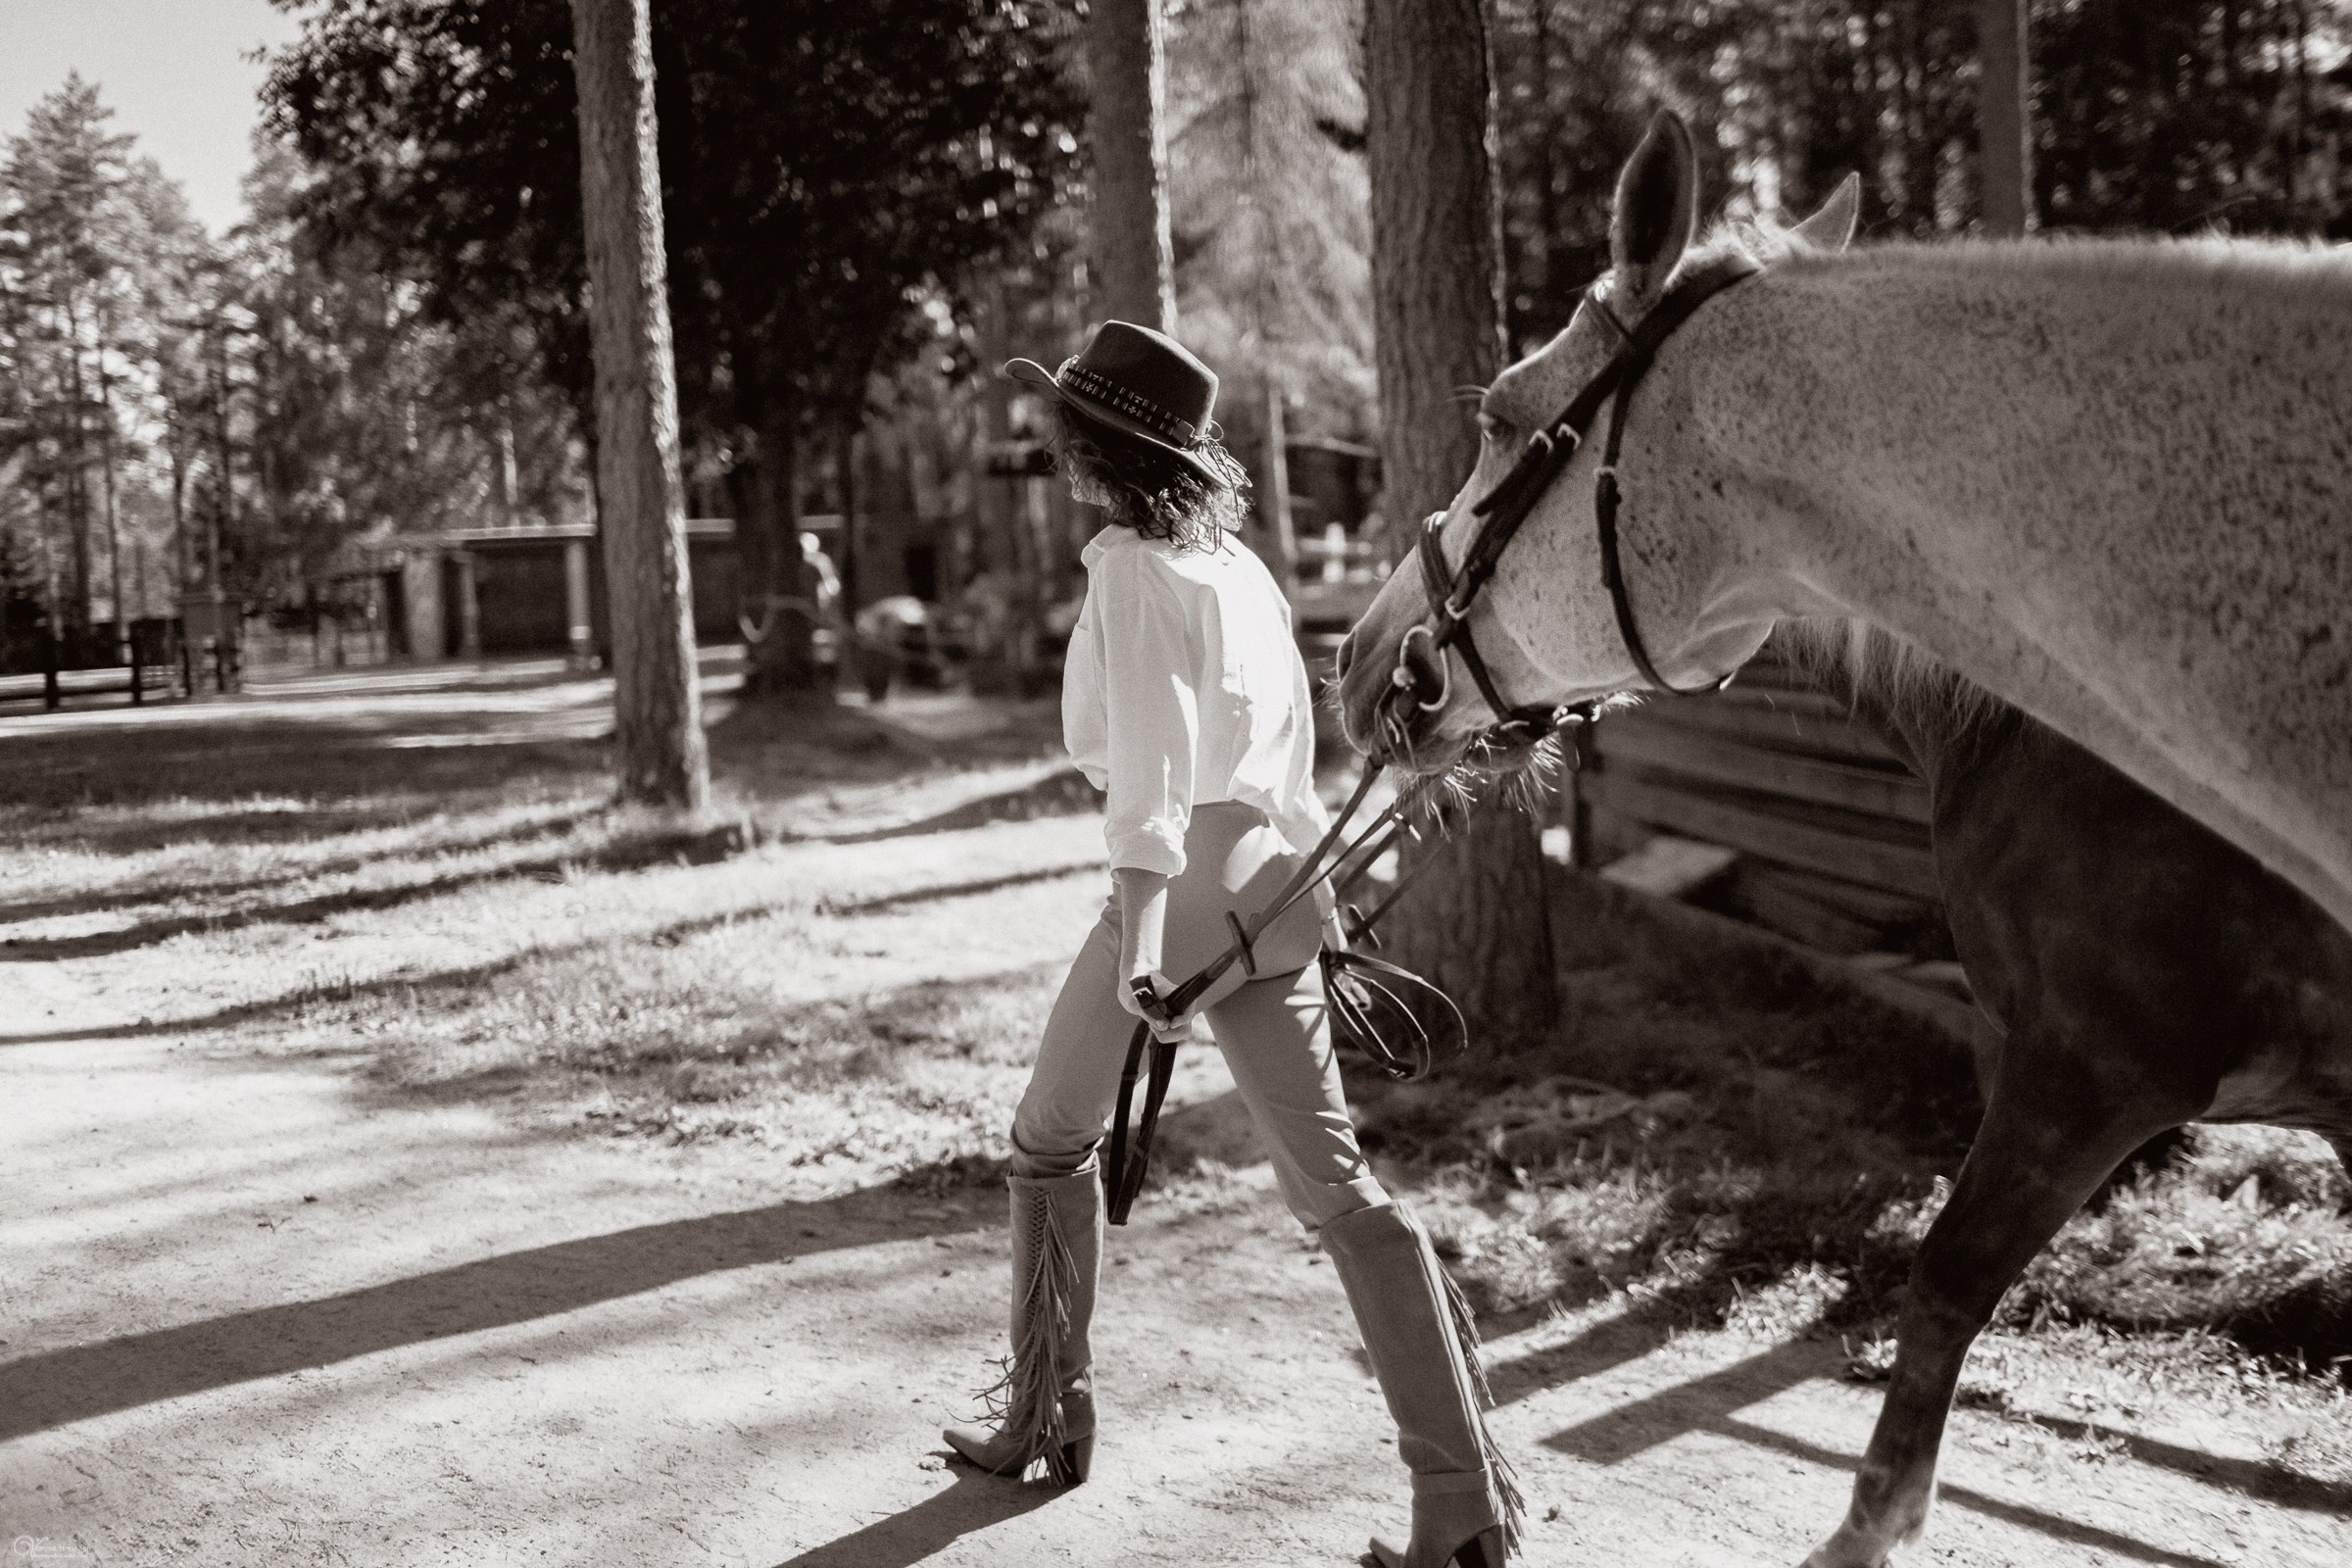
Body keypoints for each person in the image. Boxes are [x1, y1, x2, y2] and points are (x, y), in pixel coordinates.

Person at [941, 320, 1520, 1568]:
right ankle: (1462, 1499)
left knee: (1047, 1137)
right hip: (1276, 883)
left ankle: (1048, 1412)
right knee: (1340, 1191)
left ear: (1101, 452)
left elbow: (1146, 786)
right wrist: (1293, 905)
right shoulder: (1239, 569)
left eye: (1066, 440)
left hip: (1183, 887)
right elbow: (1289, 758)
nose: (1055, 460)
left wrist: (1148, 946)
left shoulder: (1131, 575)